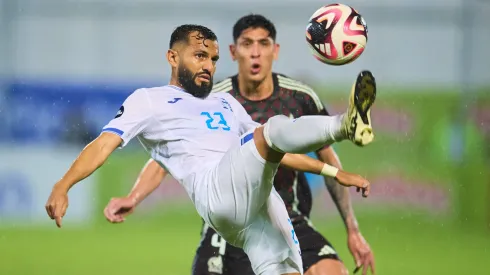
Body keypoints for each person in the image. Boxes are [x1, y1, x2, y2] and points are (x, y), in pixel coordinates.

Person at [45, 24, 376, 275]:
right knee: (272, 128)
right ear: (173, 57)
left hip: (256, 211)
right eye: (200, 56)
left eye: (214, 59)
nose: (208, 65)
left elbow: (277, 150)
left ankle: (346, 126)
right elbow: (104, 144)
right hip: (216, 195)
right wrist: (64, 184)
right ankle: (344, 124)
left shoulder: (225, 102)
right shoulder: (148, 100)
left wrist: (334, 171)